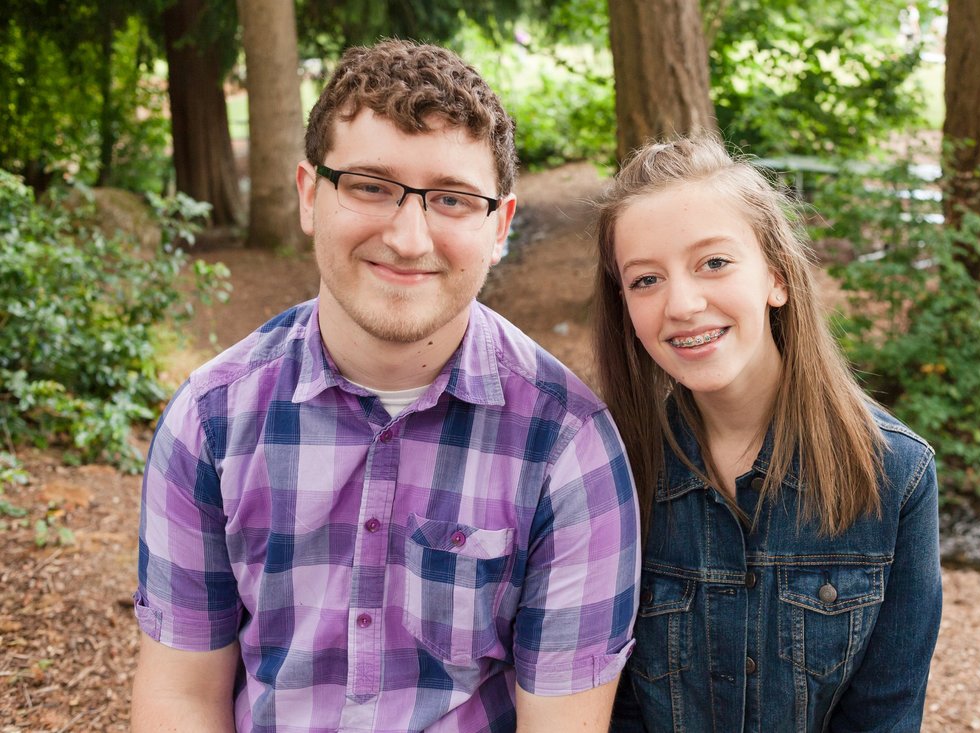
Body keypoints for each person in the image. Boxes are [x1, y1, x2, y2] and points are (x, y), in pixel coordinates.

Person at [131, 39, 640, 732]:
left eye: (453, 199)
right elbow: (182, 698)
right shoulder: (208, 422)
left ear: (500, 225)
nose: (407, 236)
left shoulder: (567, 447)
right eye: (370, 185)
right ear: (311, 195)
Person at [592, 135, 942, 732]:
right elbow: (610, 706)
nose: (681, 303)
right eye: (645, 280)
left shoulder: (893, 473)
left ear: (776, 277)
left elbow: (884, 713)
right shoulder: (611, 466)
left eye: (714, 263)